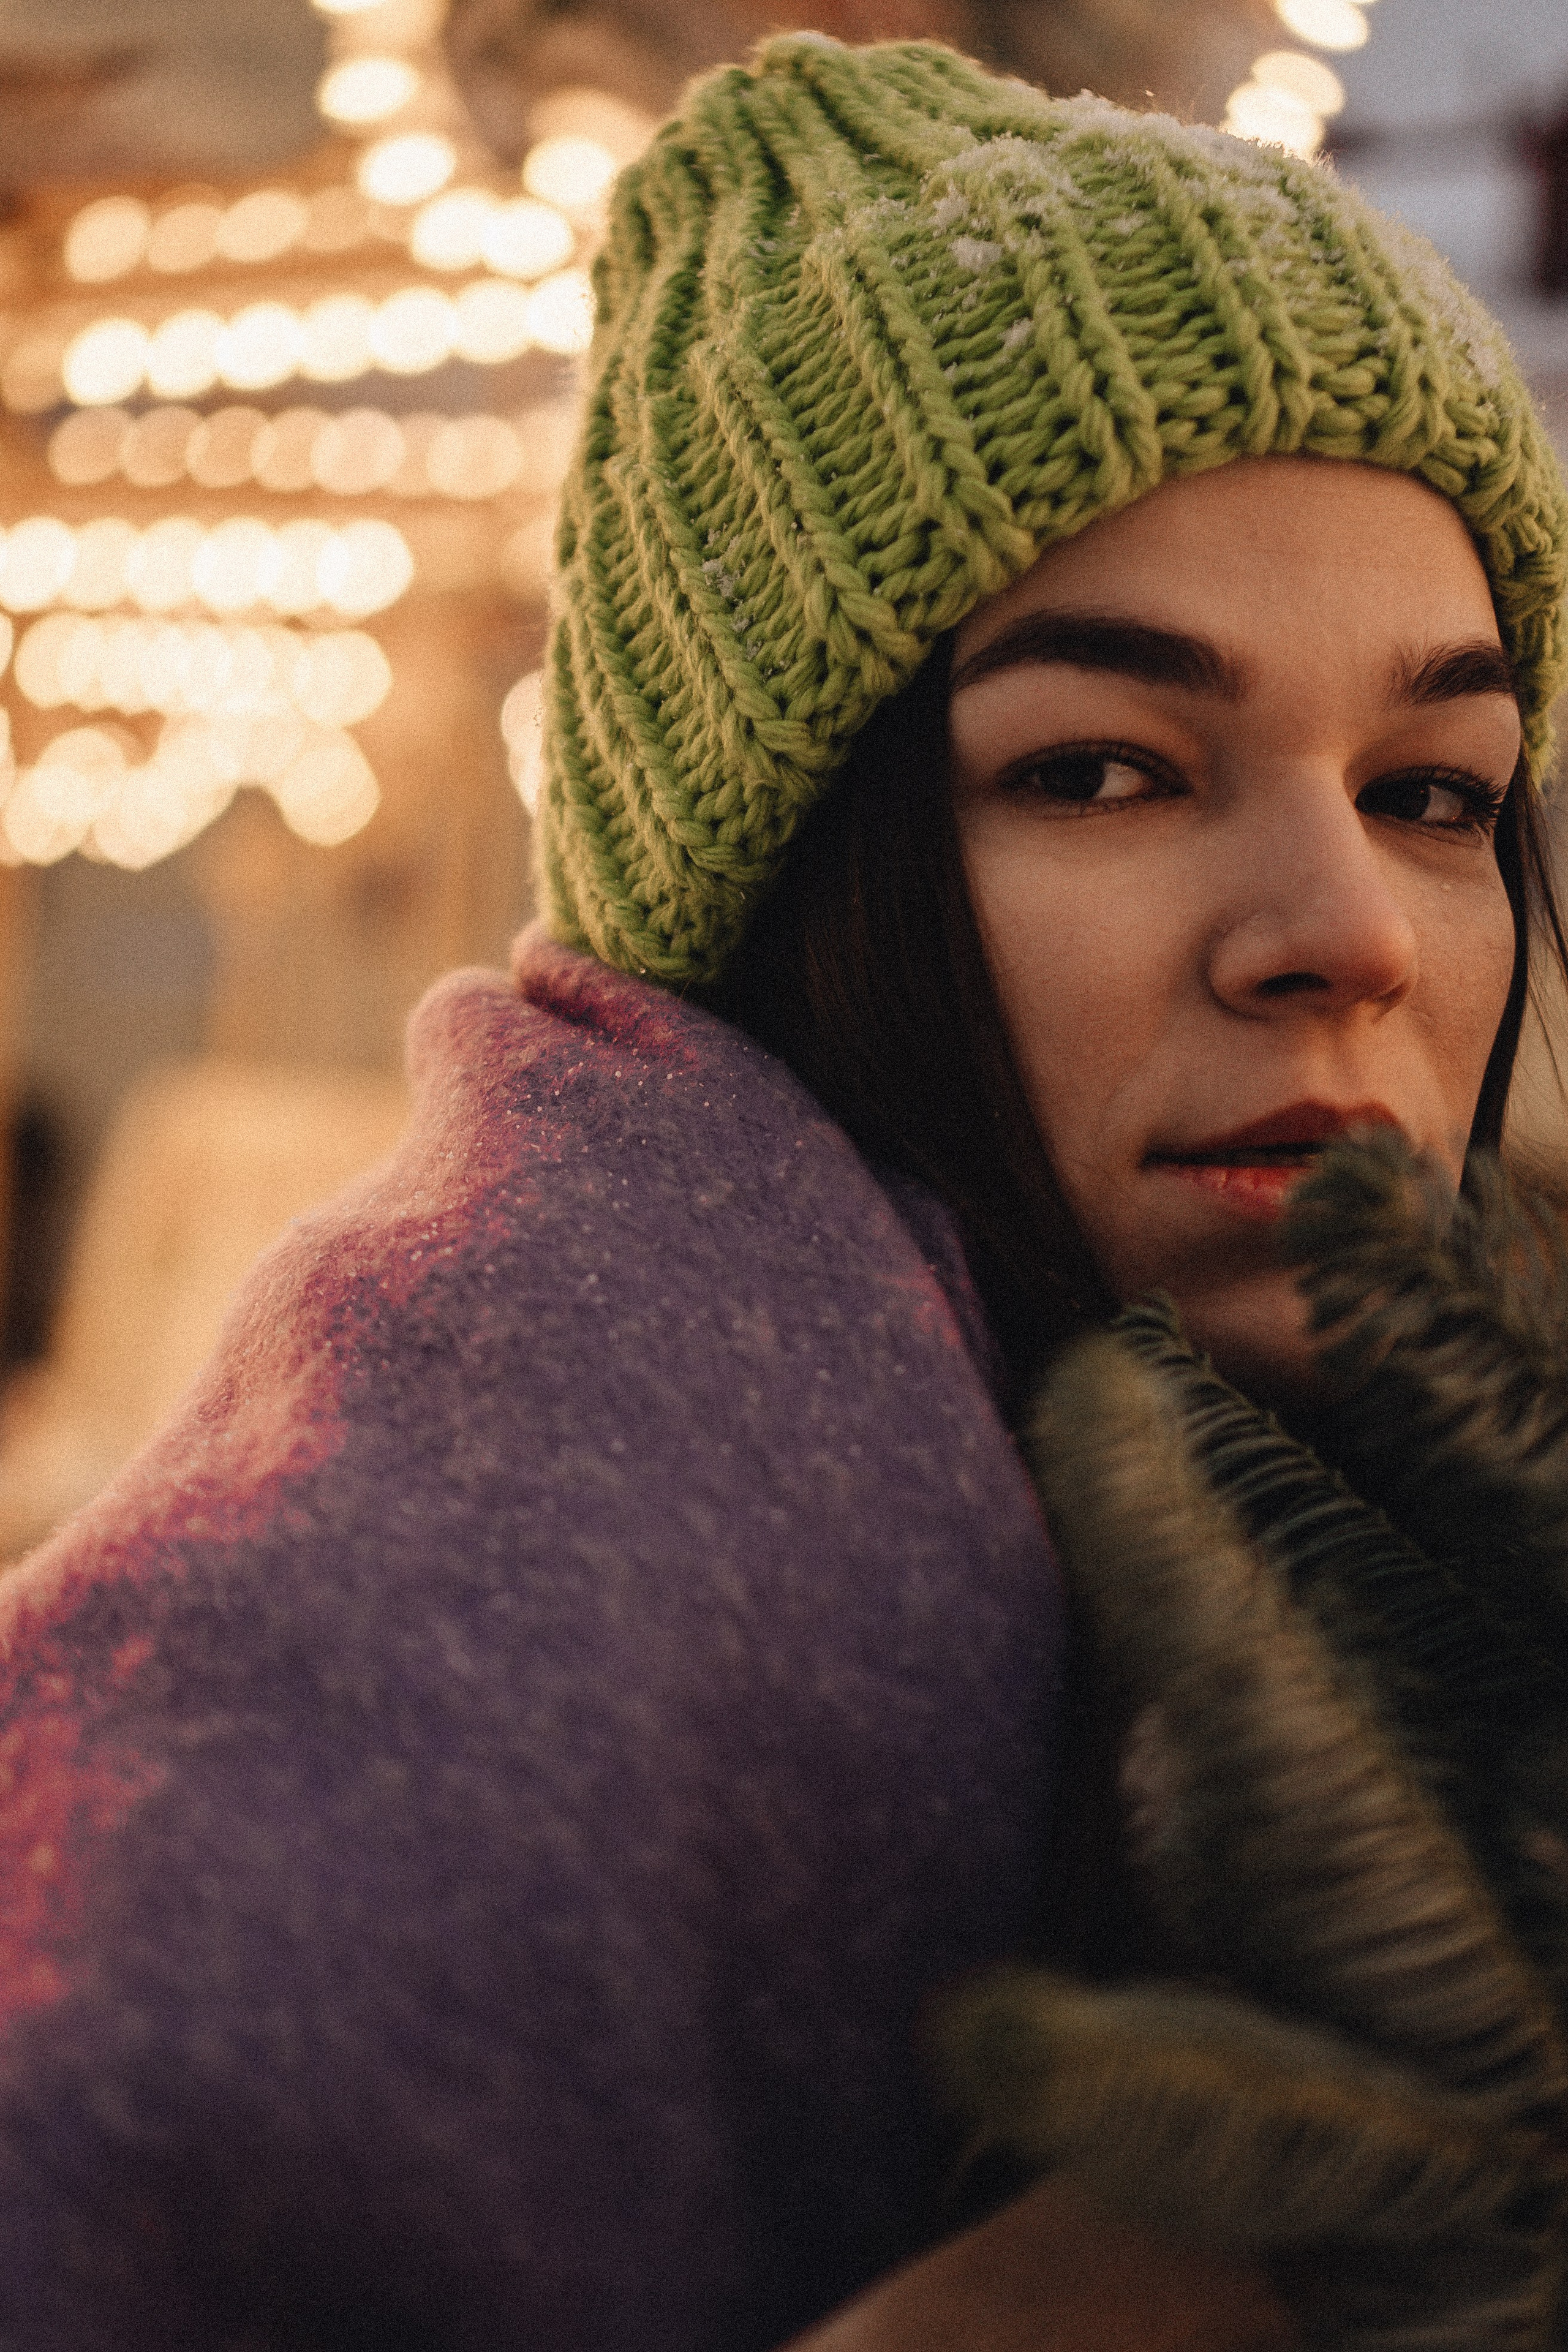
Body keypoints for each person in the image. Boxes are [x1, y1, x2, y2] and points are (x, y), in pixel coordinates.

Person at [0, 32, 1562, 2351]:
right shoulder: (561, 1514)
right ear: (784, 884)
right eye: (1110, 767)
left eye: (1440, 792)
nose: (1345, 929)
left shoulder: (1295, 1445)